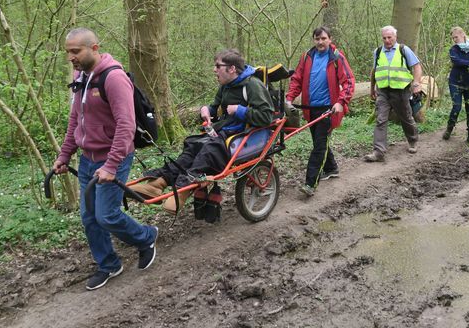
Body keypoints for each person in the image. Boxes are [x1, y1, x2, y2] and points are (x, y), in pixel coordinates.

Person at [52, 28, 158, 291]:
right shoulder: (81, 78)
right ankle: (109, 264)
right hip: (88, 159)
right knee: (89, 218)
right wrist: (65, 155)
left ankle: (146, 237)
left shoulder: (114, 78)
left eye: (75, 51)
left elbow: (126, 125)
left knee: (107, 215)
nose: (71, 57)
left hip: (114, 158)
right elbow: (76, 120)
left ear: (94, 48)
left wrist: (111, 165)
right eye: (68, 52)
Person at [131, 49, 274, 213]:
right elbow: (215, 107)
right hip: (223, 131)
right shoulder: (225, 86)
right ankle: (159, 183)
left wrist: (240, 110)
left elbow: (266, 116)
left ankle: (183, 190)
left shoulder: (252, 85)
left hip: (241, 136)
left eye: (218, 66)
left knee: (209, 150)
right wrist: (206, 110)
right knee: (193, 145)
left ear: (232, 68)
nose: (214, 69)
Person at [286, 26, 355, 196]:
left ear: (330, 39)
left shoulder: (337, 57)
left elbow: (349, 82)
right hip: (310, 110)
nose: (320, 42)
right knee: (320, 142)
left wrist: (341, 102)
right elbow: (297, 79)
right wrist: (289, 98)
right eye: (317, 39)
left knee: (319, 146)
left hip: (328, 110)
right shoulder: (307, 57)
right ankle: (331, 168)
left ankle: (310, 184)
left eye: (323, 38)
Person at [364, 25, 422, 162]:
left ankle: (413, 140)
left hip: (401, 90)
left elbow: (417, 66)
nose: (387, 40)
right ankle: (378, 151)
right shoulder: (378, 52)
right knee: (380, 119)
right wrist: (372, 88)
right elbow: (374, 71)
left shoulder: (403, 49)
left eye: (389, 37)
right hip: (383, 91)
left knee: (406, 117)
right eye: (384, 38)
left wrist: (416, 83)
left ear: (395, 37)